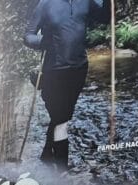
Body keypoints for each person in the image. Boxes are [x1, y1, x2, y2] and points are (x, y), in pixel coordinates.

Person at [24, 0, 105, 171]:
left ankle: (47, 154)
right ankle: (62, 168)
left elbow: (104, 17)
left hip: (79, 69)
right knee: (61, 120)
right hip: (53, 72)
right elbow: (28, 35)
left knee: (62, 117)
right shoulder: (45, 4)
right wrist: (43, 42)